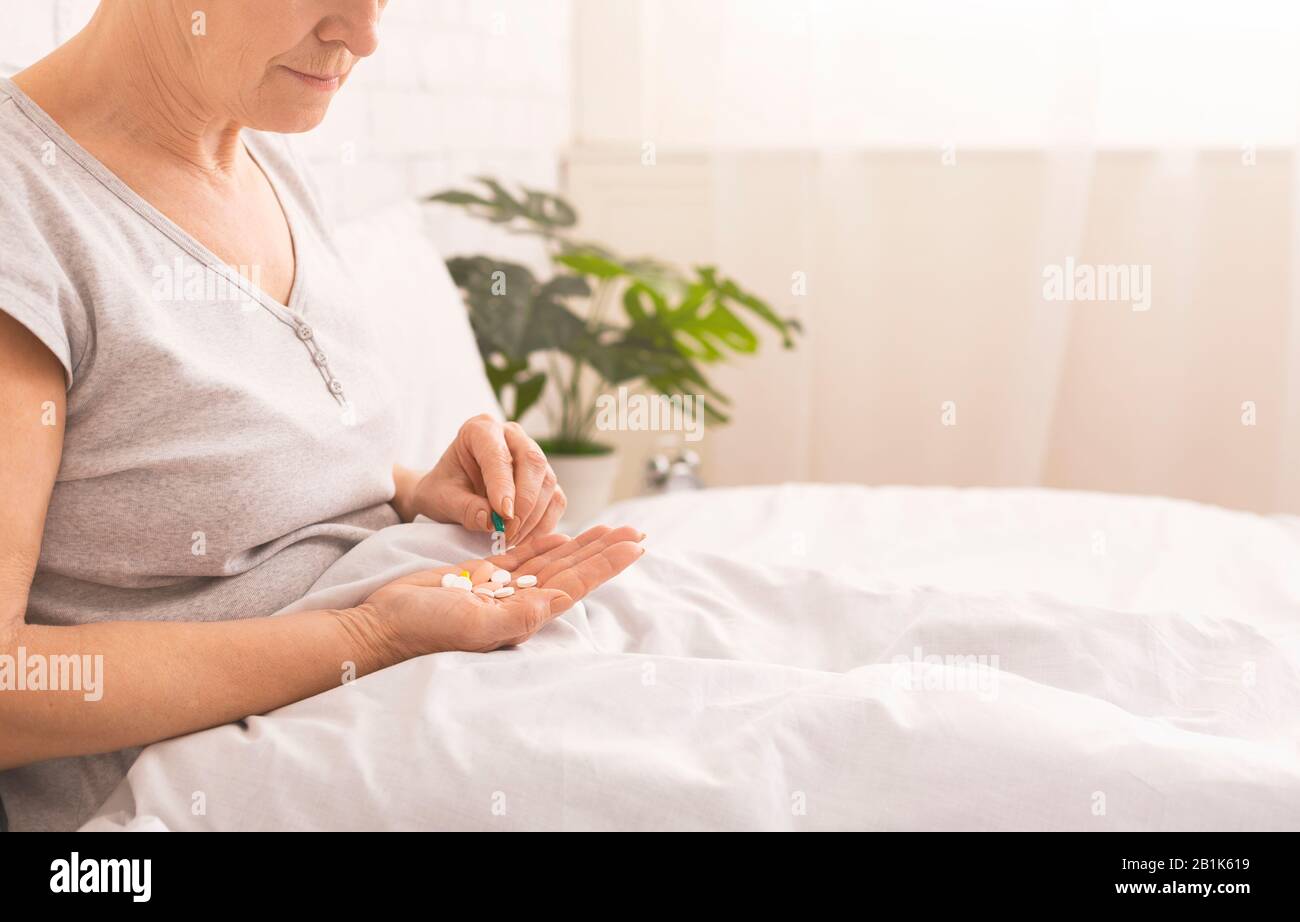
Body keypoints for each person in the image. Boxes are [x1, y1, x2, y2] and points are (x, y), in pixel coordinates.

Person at [0, 0, 644, 831]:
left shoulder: (261, 149)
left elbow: (197, 467)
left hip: (425, 675)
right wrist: (371, 635)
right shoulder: (25, 217)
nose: (366, 36)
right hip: (226, 775)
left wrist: (413, 490)